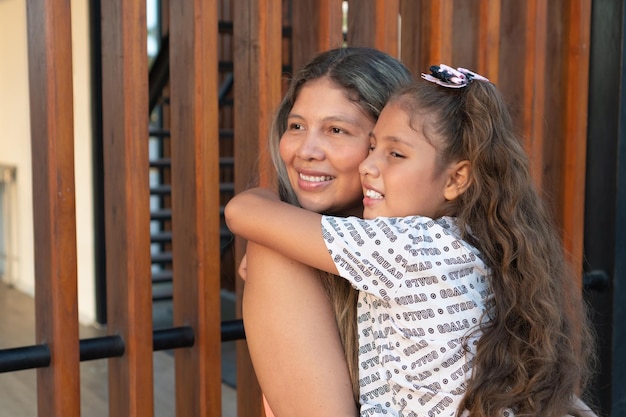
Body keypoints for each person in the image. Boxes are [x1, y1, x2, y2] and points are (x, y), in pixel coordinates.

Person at [227, 65, 596, 416]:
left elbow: (242, 211)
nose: (370, 166)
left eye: (338, 130)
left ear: (456, 178)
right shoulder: (475, 244)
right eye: (296, 125)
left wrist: (270, 222)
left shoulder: (409, 246)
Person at [239, 47, 414, 417]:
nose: (306, 150)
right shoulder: (278, 252)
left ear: (386, 144)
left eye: (336, 130)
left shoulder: (435, 250)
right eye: (297, 126)